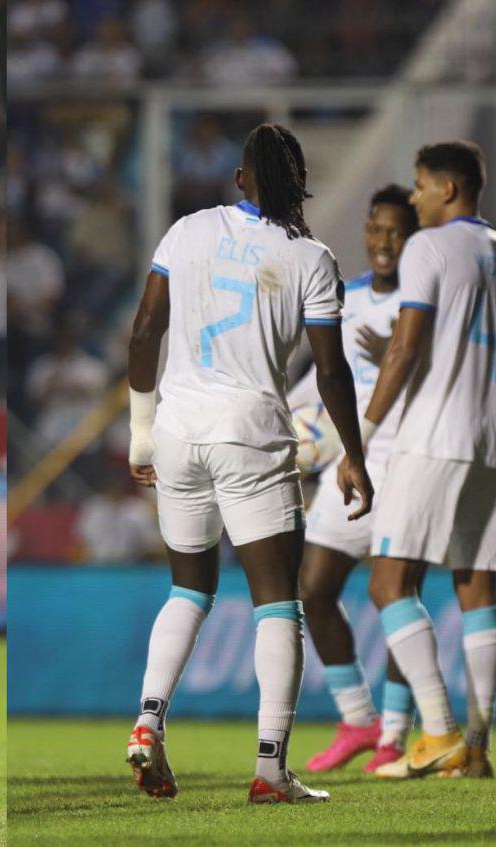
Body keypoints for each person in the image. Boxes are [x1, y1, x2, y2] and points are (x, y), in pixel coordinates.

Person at [125, 123, 373, 804]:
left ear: (241, 180)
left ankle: (148, 721)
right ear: (299, 184)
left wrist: (141, 432)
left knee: (188, 590)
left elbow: (144, 332)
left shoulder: (187, 231)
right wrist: (352, 454)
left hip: (177, 427)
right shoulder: (312, 259)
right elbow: (329, 372)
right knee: (276, 603)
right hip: (250, 434)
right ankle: (269, 769)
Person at [359, 142, 496, 779]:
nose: (412, 199)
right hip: (495, 448)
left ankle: (436, 726)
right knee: (477, 586)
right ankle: (478, 748)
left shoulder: (428, 248)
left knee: (387, 582)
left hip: (433, 436)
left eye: (418, 186)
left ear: (447, 188)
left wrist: (361, 434)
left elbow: (405, 347)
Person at [284, 185, 420, 774]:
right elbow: (323, 378)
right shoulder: (348, 298)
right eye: (375, 228)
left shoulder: (425, 303)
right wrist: (291, 431)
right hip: (349, 463)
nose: (382, 241)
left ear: (413, 237)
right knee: (313, 589)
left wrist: (403, 351)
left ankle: (396, 733)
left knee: (396, 598)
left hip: (412, 463)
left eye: (395, 230)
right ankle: (357, 719)